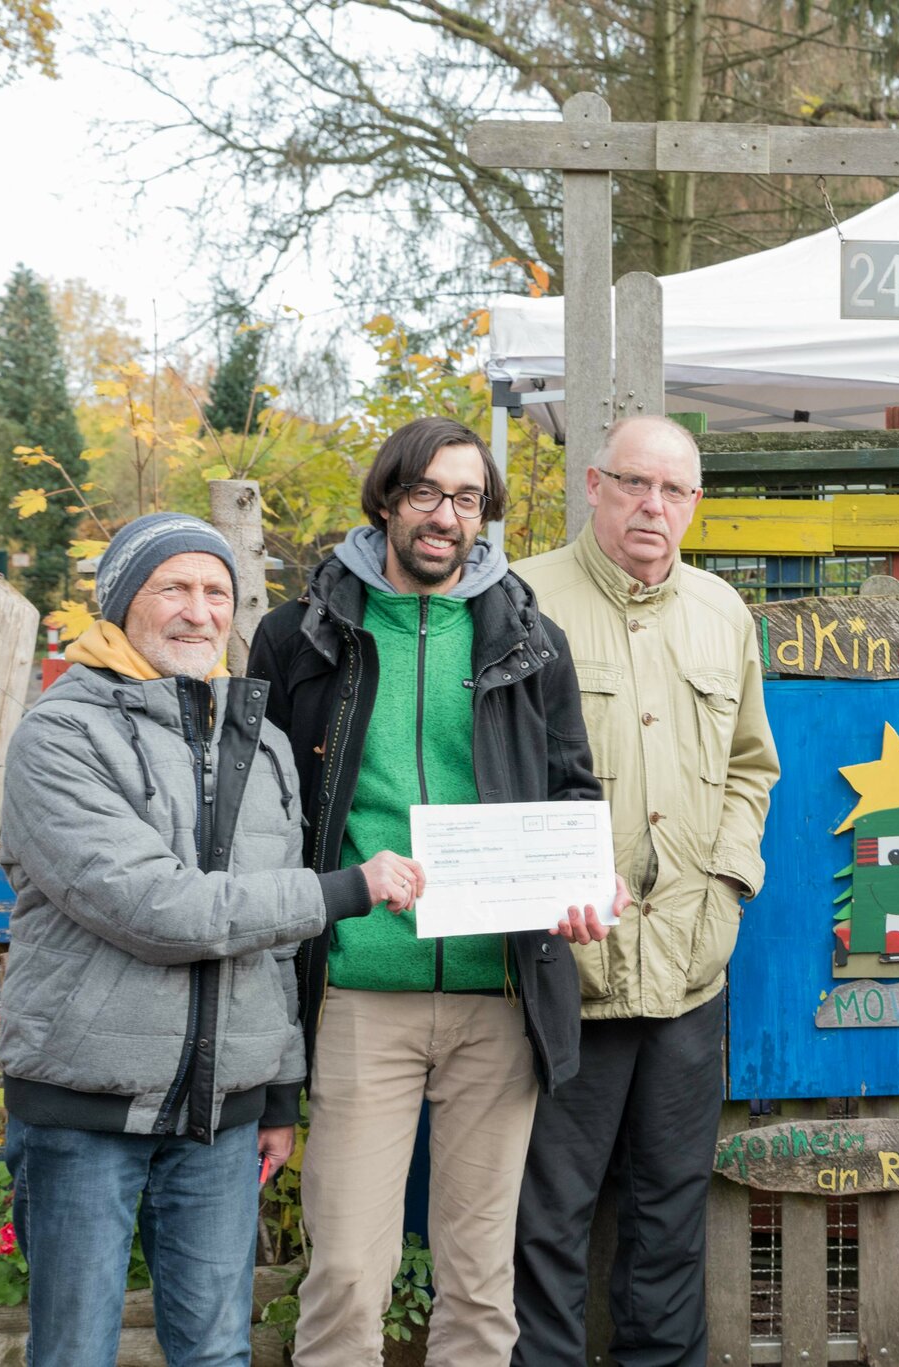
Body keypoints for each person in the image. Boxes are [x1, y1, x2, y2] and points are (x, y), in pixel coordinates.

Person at [0, 513, 423, 1366]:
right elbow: (158, 909)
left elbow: (265, 945)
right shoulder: (61, 735)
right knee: (74, 1350)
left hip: (222, 1120)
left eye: (217, 591)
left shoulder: (257, 741)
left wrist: (274, 1094)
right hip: (87, 1107)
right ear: (121, 603)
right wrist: (347, 889)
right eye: (174, 587)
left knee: (218, 1351)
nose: (200, 611)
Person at [249, 417, 619, 1367]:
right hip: (361, 988)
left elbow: (572, 790)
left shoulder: (532, 638)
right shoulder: (302, 634)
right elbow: (264, 808)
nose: (444, 517)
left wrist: (580, 884)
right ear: (386, 500)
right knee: (344, 1277)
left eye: (466, 499)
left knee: (480, 1282)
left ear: (483, 514)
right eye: (425, 493)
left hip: (498, 996)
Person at [510, 415, 779, 1367]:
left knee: (669, 1211)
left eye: (674, 491)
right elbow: (485, 774)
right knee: (545, 1217)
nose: (653, 506)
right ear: (595, 484)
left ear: (695, 503)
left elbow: (753, 767)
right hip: (565, 972)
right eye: (635, 483)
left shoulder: (722, 614)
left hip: (688, 968)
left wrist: (731, 877)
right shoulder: (521, 603)